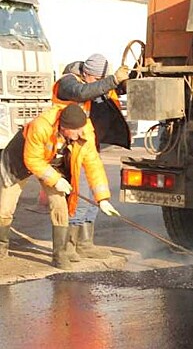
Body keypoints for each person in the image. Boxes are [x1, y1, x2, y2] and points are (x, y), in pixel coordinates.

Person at [0, 104, 120, 269]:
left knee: (59, 205)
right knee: (5, 209)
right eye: (76, 131)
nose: (80, 134)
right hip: (19, 161)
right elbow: (32, 160)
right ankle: (1, 246)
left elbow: (94, 165)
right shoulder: (41, 126)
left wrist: (103, 198)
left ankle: (60, 254)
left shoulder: (85, 131)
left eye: (81, 129)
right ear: (64, 128)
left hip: (50, 163)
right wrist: (56, 180)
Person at [52, 53, 131, 261]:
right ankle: (70, 246)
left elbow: (107, 90)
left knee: (94, 191)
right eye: (98, 79)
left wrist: (125, 82)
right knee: (79, 195)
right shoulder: (68, 82)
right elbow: (83, 92)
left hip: (89, 144)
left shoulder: (95, 82)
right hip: (71, 145)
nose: (100, 84)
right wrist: (112, 80)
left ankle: (85, 243)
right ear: (87, 72)